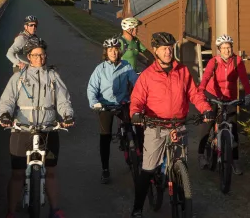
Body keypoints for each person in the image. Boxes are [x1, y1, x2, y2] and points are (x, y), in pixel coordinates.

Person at [128, 32, 214, 218]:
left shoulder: (182, 71)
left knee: (181, 165)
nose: (168, 52)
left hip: (178, 126)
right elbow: (137, 99)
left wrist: (205, 108)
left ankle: (184, 204)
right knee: (148, 169)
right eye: (164, 48)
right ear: (155, 51)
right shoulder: (147, 75)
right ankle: (137, 208)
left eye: (170, 48)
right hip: (155, 126)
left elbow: (195, 94)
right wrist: (135, 113)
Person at [0, 39, 73, 218]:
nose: (39, 58)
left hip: (48, 128)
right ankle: (11, 211)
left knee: (51, 172)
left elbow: (63, 100)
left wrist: (67, 115)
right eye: (35, 55)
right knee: (17, 174)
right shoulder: (18, 77)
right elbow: (7, 100)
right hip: (22, 129)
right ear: (28, 57)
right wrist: (6, 115)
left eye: (42, 54)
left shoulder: (53, 77)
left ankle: (55, 209)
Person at [196, 34, 250, 175]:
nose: (227, 51)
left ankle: (234, 160)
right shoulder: (214, 62)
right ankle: (201, 154)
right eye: (224, 48)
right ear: (219, 50)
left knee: (233, 127)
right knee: (208, 122)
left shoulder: (237, 61)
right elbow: (207, 77)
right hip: (213, 94)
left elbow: (244, 79)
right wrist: (201, 90)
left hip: (230, 97)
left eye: (229, 47)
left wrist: (249, 93)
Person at [87, 36, 139, 184]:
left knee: (135, 126)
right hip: (106, 105)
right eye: (110, 50)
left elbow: (136, 82)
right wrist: (94, 102)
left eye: (116, 50)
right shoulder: (100, 69)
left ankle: (136, 152)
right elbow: (92, 88)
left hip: (123, 103)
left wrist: (141, 95)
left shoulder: (126, 66)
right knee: (105, 136)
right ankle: (105, 169)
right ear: (106, 52)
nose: (114, 53)